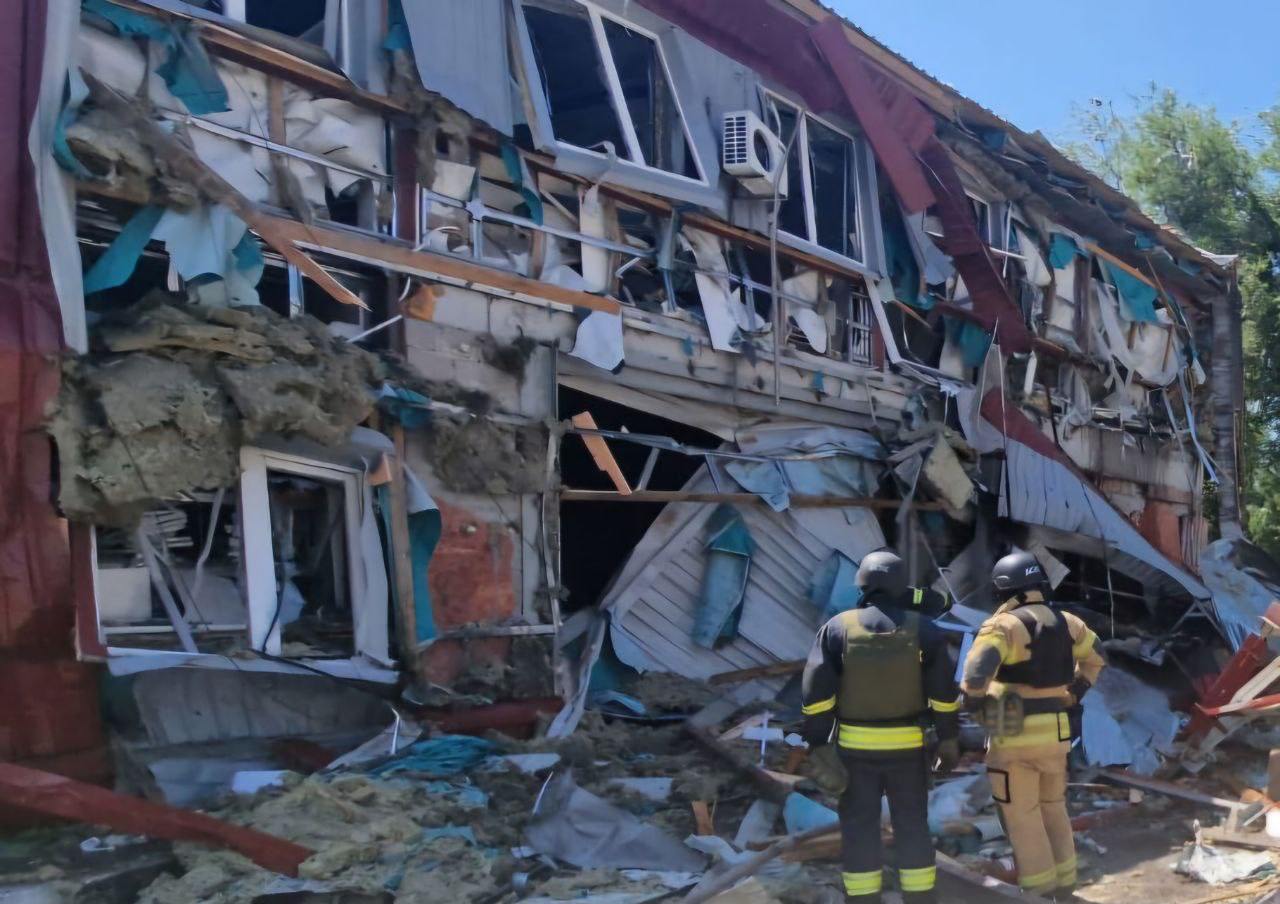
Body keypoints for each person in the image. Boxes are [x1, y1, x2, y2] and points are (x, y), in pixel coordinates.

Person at [801, 550, 961, 904]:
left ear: (862, 584)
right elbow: (943, 694)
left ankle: (862, 899)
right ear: (901, 585)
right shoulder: (925, 630)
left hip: (854, 751)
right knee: (912, 825)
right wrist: (949, 738)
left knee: (859, 828)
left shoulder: (837, 628)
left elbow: (817, 694)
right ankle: (920, 898)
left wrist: (817, 742)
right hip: (908, 751)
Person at [961, 550, 1107, 899]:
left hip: (1013, 738)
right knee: (1054, 808)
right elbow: (1098, 656)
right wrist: (1075, 693)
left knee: (1022, 816)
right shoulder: (1069, 623)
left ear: (1004, 589)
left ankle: (1039, 891)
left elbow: (976, 675)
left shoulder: (1002, 626)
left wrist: (975, 703)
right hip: (1056, 735)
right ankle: (1066, 885)